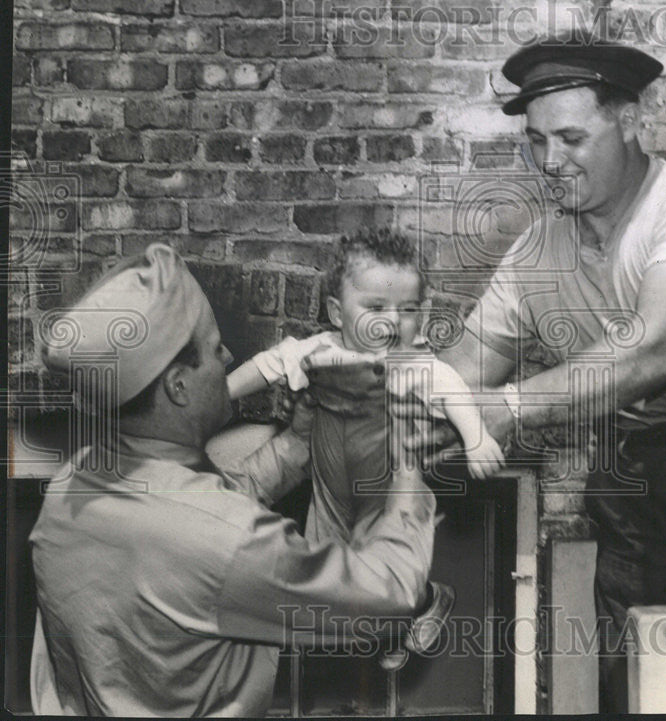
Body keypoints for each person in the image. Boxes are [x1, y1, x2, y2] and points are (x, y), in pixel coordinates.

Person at [402, 33, 666, 712]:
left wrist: (505, 407)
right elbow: (463, 371)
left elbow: (652, 353)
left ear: (631, 121)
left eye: (571, 138)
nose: (551, 160)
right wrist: (403, 396)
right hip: (630, 483)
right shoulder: (539, 246)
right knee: (630, 679)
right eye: (537, 141)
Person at [29, 243, 437, 716]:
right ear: (178, 386)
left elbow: (195, 513)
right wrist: (408, 465)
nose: (228, 357)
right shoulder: (225, 540)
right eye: (213, 347)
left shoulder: (71, 484)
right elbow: (389, 595)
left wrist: (295, 444)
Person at [226, 227, 503, 667]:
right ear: (337, 312)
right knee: (333, 575)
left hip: (389, 488)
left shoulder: (415, 362)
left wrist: (476, 438)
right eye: (375, 307)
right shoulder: (318, 351)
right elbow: (268, 365)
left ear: (423, 312)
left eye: (407, 309)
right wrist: (221, 395)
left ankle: (424, 599)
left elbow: (451, 389)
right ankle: (392, 624)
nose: (391, 322)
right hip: (331, 487)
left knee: (387, 567)